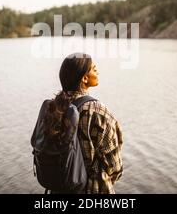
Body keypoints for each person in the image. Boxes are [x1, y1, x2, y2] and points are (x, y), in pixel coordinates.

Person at [43, 53, 123, 194]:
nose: (97, 71)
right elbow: (114, 165)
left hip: (59, 188)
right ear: (85, 78)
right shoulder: (97, 111)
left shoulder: (54, 107)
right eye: (94, 68)